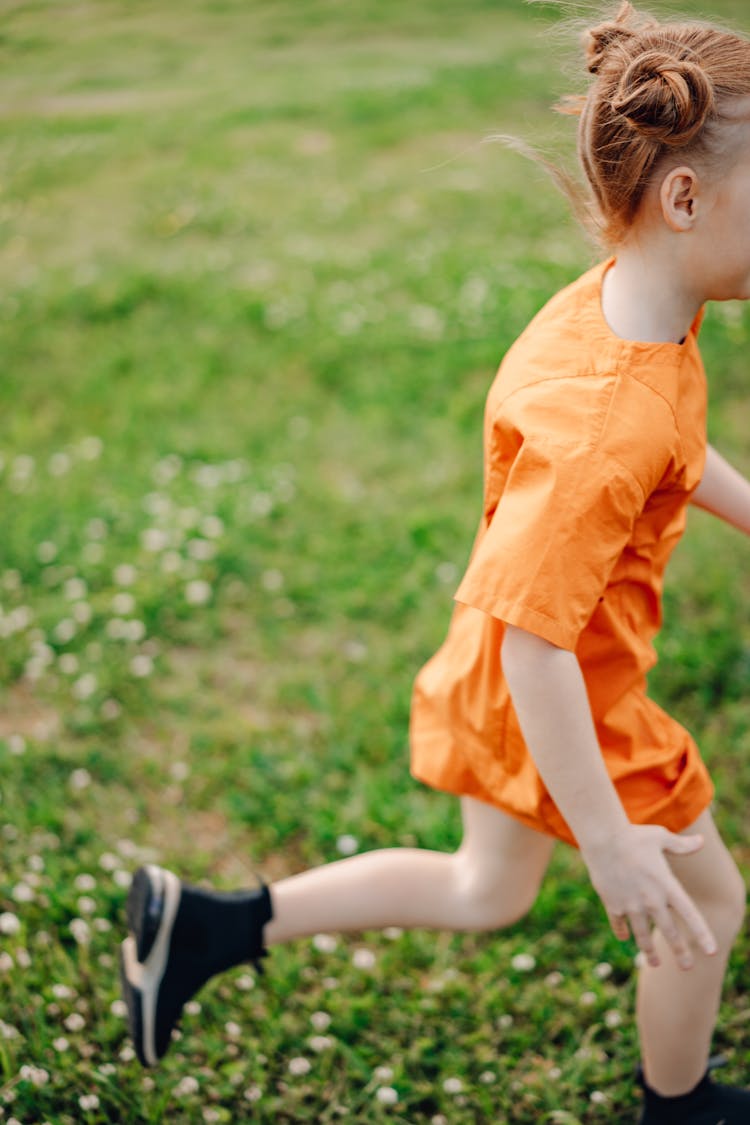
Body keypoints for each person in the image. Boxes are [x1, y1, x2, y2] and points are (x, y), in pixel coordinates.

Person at [119, 4, 749, 1121]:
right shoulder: (610, 418)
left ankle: (209, 924)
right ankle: (681, 1103)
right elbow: (537, 634)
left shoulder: (620, 312)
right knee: (708, 904)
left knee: (483, 891)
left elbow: (674, 449)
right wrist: (606, 838)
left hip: (509, 682)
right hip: (574, 700)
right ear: (686, 199)